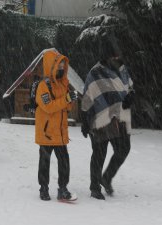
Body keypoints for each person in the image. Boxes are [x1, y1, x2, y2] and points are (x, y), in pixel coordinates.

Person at [81, 36, 135, 200]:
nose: (117, 58)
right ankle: (94, 186)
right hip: (101, 117)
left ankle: (107, 178)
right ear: (106, 55)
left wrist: (130, 98)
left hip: (121, 116)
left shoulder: (123, 69)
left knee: (124, 149)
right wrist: (85, 121)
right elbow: (88, 97)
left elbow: (130, 87)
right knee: (99, 153)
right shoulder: (95, 72)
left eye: (118, 55)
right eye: (113, 55)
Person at [35, 50, 78, 201]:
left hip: (60, 132)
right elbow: (48, 107)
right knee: (44, 162)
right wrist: (66, 99)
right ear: (50, 65)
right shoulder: (43, 86)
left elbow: (66, 107)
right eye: (58, 63)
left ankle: (63, 188)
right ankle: (44, 189)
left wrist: (70, 100)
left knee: (64, 161)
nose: (61, 67)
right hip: (47, 132)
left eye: (62, 64)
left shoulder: (63, 83)